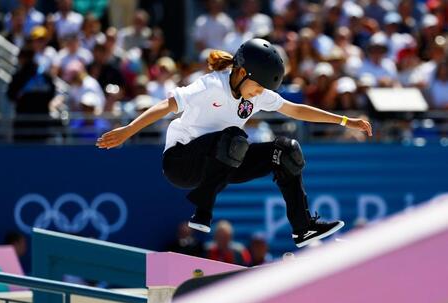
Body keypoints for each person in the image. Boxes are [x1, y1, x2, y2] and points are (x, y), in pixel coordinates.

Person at [96, 38, 372, 248]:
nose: (259, 94)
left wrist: (344, 121)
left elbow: (296, 110)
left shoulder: (257, 94)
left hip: (222, 161)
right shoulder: (210, 85)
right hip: (182, 163)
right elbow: (166, 106)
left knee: (286, 151)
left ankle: (303, 228)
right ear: (241, 73)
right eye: (257, 87)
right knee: (235, 138)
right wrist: (128, 130)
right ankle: (202, 212)